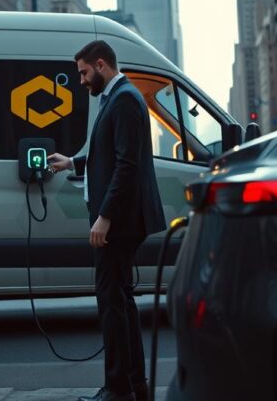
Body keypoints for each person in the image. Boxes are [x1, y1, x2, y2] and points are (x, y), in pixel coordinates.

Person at [48, 40, 167, 401]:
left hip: (120, 222)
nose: (82, 81)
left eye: (84, 72)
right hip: (121, 220)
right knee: (121, 300)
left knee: (111, 302)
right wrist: (73, 162)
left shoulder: (125, 99)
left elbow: (127, 165)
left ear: (101, 64)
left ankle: (118, 389)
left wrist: (105, 217)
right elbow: (109, 156)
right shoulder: (117, 98)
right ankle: (134, 385)